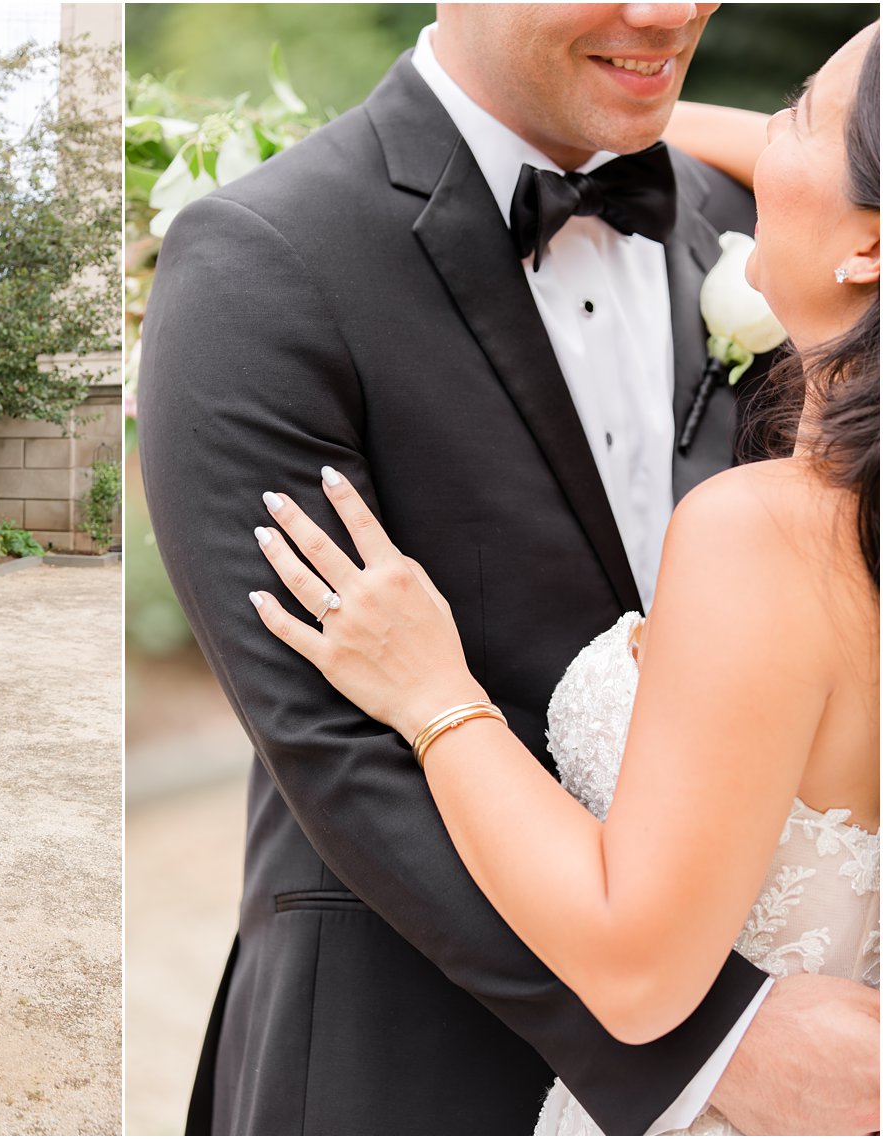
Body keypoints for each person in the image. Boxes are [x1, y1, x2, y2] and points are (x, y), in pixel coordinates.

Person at [138, 5, 876, 1134]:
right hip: (398, 1062)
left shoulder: (754, 228)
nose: (669, 11)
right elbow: (328, 742)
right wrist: (719, 1037)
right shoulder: (261, 257)